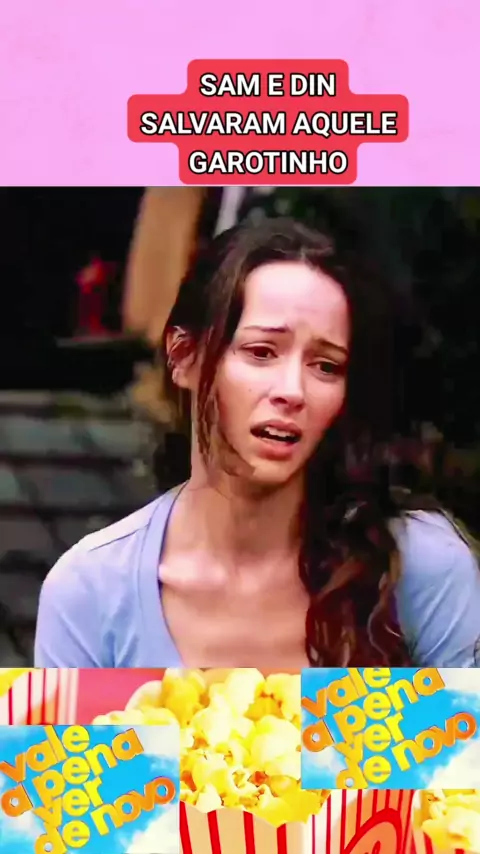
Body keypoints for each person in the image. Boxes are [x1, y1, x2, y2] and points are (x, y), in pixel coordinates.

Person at [34, 217, 480, 668]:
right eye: (261, 352)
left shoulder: (419, 566)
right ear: (183, 355)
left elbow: (460, 719)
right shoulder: (89, 591)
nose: (292, 391)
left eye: (326, 366)